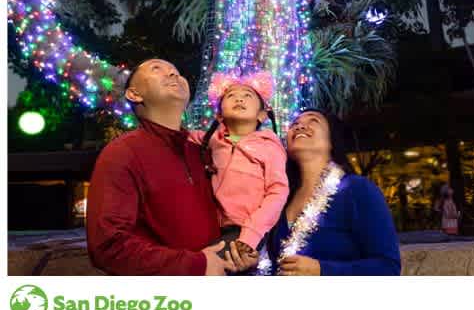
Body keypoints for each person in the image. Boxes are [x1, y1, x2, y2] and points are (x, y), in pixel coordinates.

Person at [87, 58, 255, 275]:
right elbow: (107, 247)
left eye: (176, 70)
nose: (173, 74)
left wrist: (237, 251)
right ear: (134, 94)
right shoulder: (122, 154)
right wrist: (196, 265)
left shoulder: (204, 151)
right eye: (157, 68)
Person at [260, 109, 401, 275]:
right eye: (294, 124)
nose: (299, 126)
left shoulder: (357, 190)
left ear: (332, 141)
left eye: (313, 121)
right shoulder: (279, 198)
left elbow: (388, 268)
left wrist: (322, 270)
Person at [190, 71, 288, 260]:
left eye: (247, 96)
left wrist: (250, 236)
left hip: (247, 231)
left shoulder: (269, 145)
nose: (239, 99)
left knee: (204, 268)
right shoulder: (213, 140)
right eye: (231, 95)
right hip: (212, 226)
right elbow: (180, 135)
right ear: (219, 115)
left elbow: (278, 191)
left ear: (261, 115)